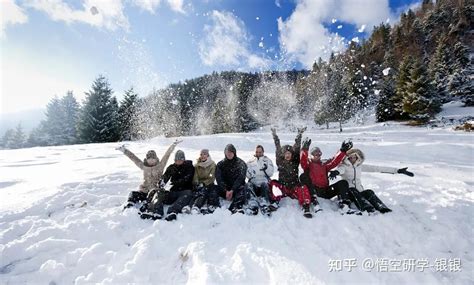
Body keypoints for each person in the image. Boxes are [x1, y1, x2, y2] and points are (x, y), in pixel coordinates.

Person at [332, 148, 414, 214]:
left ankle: (381, 207)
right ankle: (366, 207)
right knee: (353, 190)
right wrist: (336, 172)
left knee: (369, 192)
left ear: (357, 157)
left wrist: (397, 171)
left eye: (354, 157)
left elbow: (377, 168)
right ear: (347, 158)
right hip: (349, 193)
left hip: (359, 192)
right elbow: (340, 170)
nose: (352, 159)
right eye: (350, 157)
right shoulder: (344, 166)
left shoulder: (359, 166)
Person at [117, 140, 181, 211]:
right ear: (147, 160)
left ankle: (147, 205)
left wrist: (173, 145)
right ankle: (130, 204)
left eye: (153, 159)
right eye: (149, 159)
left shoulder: (160, 166)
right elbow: (134, 158)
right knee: (133, 193)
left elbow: (167, 155)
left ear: (156, 159)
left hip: (155, 192)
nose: (151, 161)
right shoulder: (144, 166)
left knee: (154, 195)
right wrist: (125, 151)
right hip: (144, 191)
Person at [299, 138, 354, 214]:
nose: (318, 156)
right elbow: (303, 160)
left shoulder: (324, 164)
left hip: (325, 191)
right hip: (314, 191)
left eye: (319, 154)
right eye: (316, 154)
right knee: (303, 176)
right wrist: (304, 149)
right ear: (311, 155)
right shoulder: (308, 165)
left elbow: (334, 161)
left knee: (343, 183)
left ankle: (344, 205)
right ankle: (314, 201)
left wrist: (342, 151)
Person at [269, 127, 313, 218]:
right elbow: (277, 147)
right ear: (283, 154)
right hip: (283, 187)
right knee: (272, 183)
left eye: (289, 153)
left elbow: (297, 146)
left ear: (292, 155)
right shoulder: (280, 162)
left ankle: (305, 207)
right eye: (286, 153)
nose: (288, 155)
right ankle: (275, 202)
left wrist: (299, 134)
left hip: (294, 187)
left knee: (303, 187)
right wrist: (275, 135)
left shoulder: (295, 161)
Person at [146, 150, 195, 221]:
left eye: (180, 159)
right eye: (176, 160)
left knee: (187, 195)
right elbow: (165, 176)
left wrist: (176, 182)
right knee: (160, 192)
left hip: (185, 191)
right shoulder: (171, 167)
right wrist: (162, 182)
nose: (178, 161)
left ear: (183, 159)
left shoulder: (189, 167)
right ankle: (156, 211)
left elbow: (187, 179)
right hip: (173, 192)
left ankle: (172, 211)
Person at [184, 149, 220, 214]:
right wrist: (197, 183)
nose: (203, 156)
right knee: (196, 192)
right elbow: (195, 176)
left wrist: (204, 183)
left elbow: (211, 176)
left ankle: (198, 205)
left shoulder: (212, 165)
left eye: (204, 154)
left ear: (208, 155)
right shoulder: (197, 165)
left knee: (205, 191)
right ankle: (190, 205)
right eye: (201, 154)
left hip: (209, 183)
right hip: (199, 183)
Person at [215, 144, 248, 214]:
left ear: (234, 153)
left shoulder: (241, 163)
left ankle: (236, 207)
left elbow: (241, 178)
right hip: (224, 190)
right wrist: (225, 190)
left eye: (231, 152)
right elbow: (219, 179)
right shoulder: (220, 164)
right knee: (212, 188)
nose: (229, 154)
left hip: (236, 189)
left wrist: (232, 190)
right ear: (225, 153)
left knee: (244, 188)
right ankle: (214, 206)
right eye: (227, 152)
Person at [246, 145, 275, 215]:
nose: (258, 153)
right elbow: (247, 174)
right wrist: (250, 173)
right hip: (254, 183)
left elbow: (271, 173)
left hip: (263, 182)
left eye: (260, 152)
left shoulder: (267, 160)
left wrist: (266, 169)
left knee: (265, 184)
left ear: (263, 152)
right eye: (257, 152)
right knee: (248, 185)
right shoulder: (250, 161)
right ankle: (253, 203)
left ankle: (264, 202)